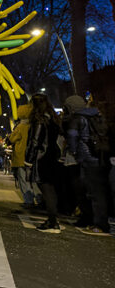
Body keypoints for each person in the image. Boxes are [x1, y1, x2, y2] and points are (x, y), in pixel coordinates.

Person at [63, 95, 110, 235]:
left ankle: (99, 223)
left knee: (92, 192)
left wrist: (74, 152)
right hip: (100, 156)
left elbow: (72, 136)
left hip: (87, 157)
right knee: (99, 191)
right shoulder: (96, 115)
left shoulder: (77, 118)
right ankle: (97, 220)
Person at [25, 93, 63, 233]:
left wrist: (28, 159)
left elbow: (34, 142)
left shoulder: (39, 120)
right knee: (51, 189)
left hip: (42, 158)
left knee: (46, 189)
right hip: (53, 156)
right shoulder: (53, 118)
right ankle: (53, 218)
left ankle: (52, 220)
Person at [9, 104, 42, 209]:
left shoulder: (20, 127)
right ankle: (39, 199)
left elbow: (12, 139)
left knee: (23, 179)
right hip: (31, 156)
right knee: (32, 180)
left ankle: (28, 200)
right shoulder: (33, 125)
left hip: (20, 156)